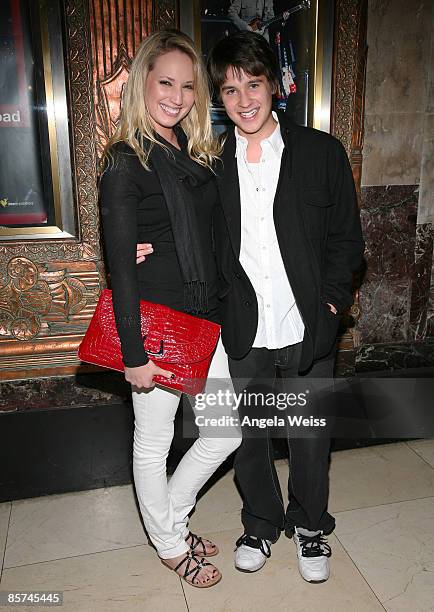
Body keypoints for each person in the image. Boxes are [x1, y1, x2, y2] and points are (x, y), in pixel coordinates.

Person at [204, 31, 365, 582]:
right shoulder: (210, 164)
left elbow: (347, 240)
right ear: (219, 99)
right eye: (229, 90)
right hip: (243, 328)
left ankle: (311, 524)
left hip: (305, 325)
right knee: (250, 438)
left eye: (253, 84)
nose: (244, 99)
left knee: (309, 437)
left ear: (275, 85)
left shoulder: (321, 153)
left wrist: (329, 303)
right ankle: (259, 523)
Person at [99, 29, 241, 589]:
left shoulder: (193, 151)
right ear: (142, 83)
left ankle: (172, 519)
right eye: (165, 82)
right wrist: (132, 353)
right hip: (155, 320)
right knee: (153, 442)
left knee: (224, 432)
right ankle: (167, 543)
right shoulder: (124, 160)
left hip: (205, 313)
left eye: (187, 86)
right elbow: (122, 270)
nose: (176, 96)